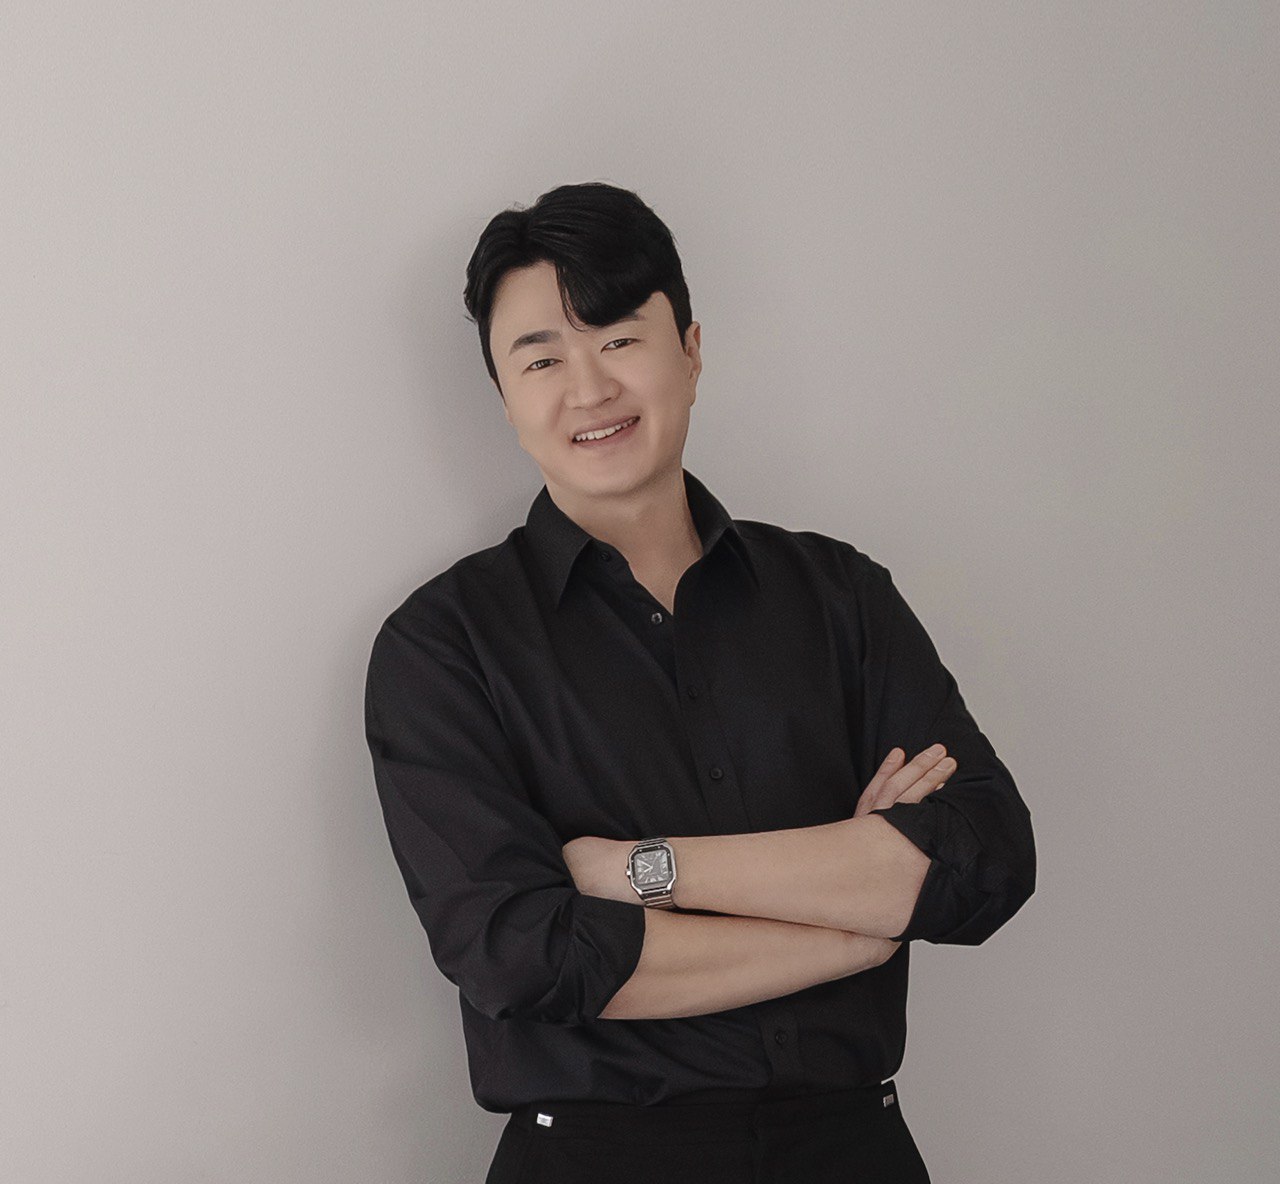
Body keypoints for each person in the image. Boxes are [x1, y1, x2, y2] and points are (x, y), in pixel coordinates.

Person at [363, 181, 1036, 1184]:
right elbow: (526, 953)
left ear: (689, 350)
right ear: (504, 398)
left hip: (853, 1152)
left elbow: (983, 859)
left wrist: (639, 871)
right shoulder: (444, 645)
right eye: (541, 358)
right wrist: (858, 922)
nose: (588, 387)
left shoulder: (839, 596)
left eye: (618, 338)